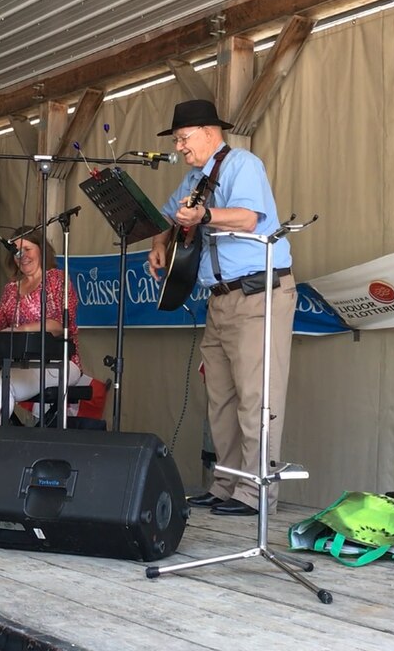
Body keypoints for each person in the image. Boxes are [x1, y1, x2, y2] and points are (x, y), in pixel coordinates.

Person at [147, 99, 297, 517]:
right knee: (221, 398)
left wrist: (204, 215)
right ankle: (227, 482)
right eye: (176, 140)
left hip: (257, 294)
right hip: (220, 300)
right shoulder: (195, 176)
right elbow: (169, 218)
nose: (178, 147)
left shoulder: (242, 164)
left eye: (183, 138)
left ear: (210, 132)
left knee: (257, 396)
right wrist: (160, 243)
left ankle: (255, 492)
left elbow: (249, 219)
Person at [0, 225, 82, 434]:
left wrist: (20, 329)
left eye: (27, 249)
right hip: (17, 362)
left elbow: (59, 326)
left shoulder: (57, 279)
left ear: (41, 249)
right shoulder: (11, 289)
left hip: (59, 361)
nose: (22, 255)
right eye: (16, 251)